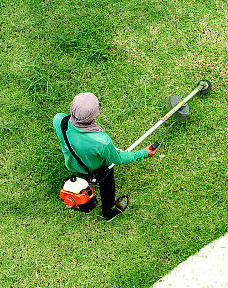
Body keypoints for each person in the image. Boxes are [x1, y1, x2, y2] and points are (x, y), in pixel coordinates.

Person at [53, 92, 157, 221]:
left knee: (84, 171)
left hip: (73, 164)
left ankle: (86, 178)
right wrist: (143, 153)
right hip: (98, 168)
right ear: (94, 116)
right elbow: (118, 158)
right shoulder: (101, 141)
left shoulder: (59, 121)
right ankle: (108, 212)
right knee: (107, 187)